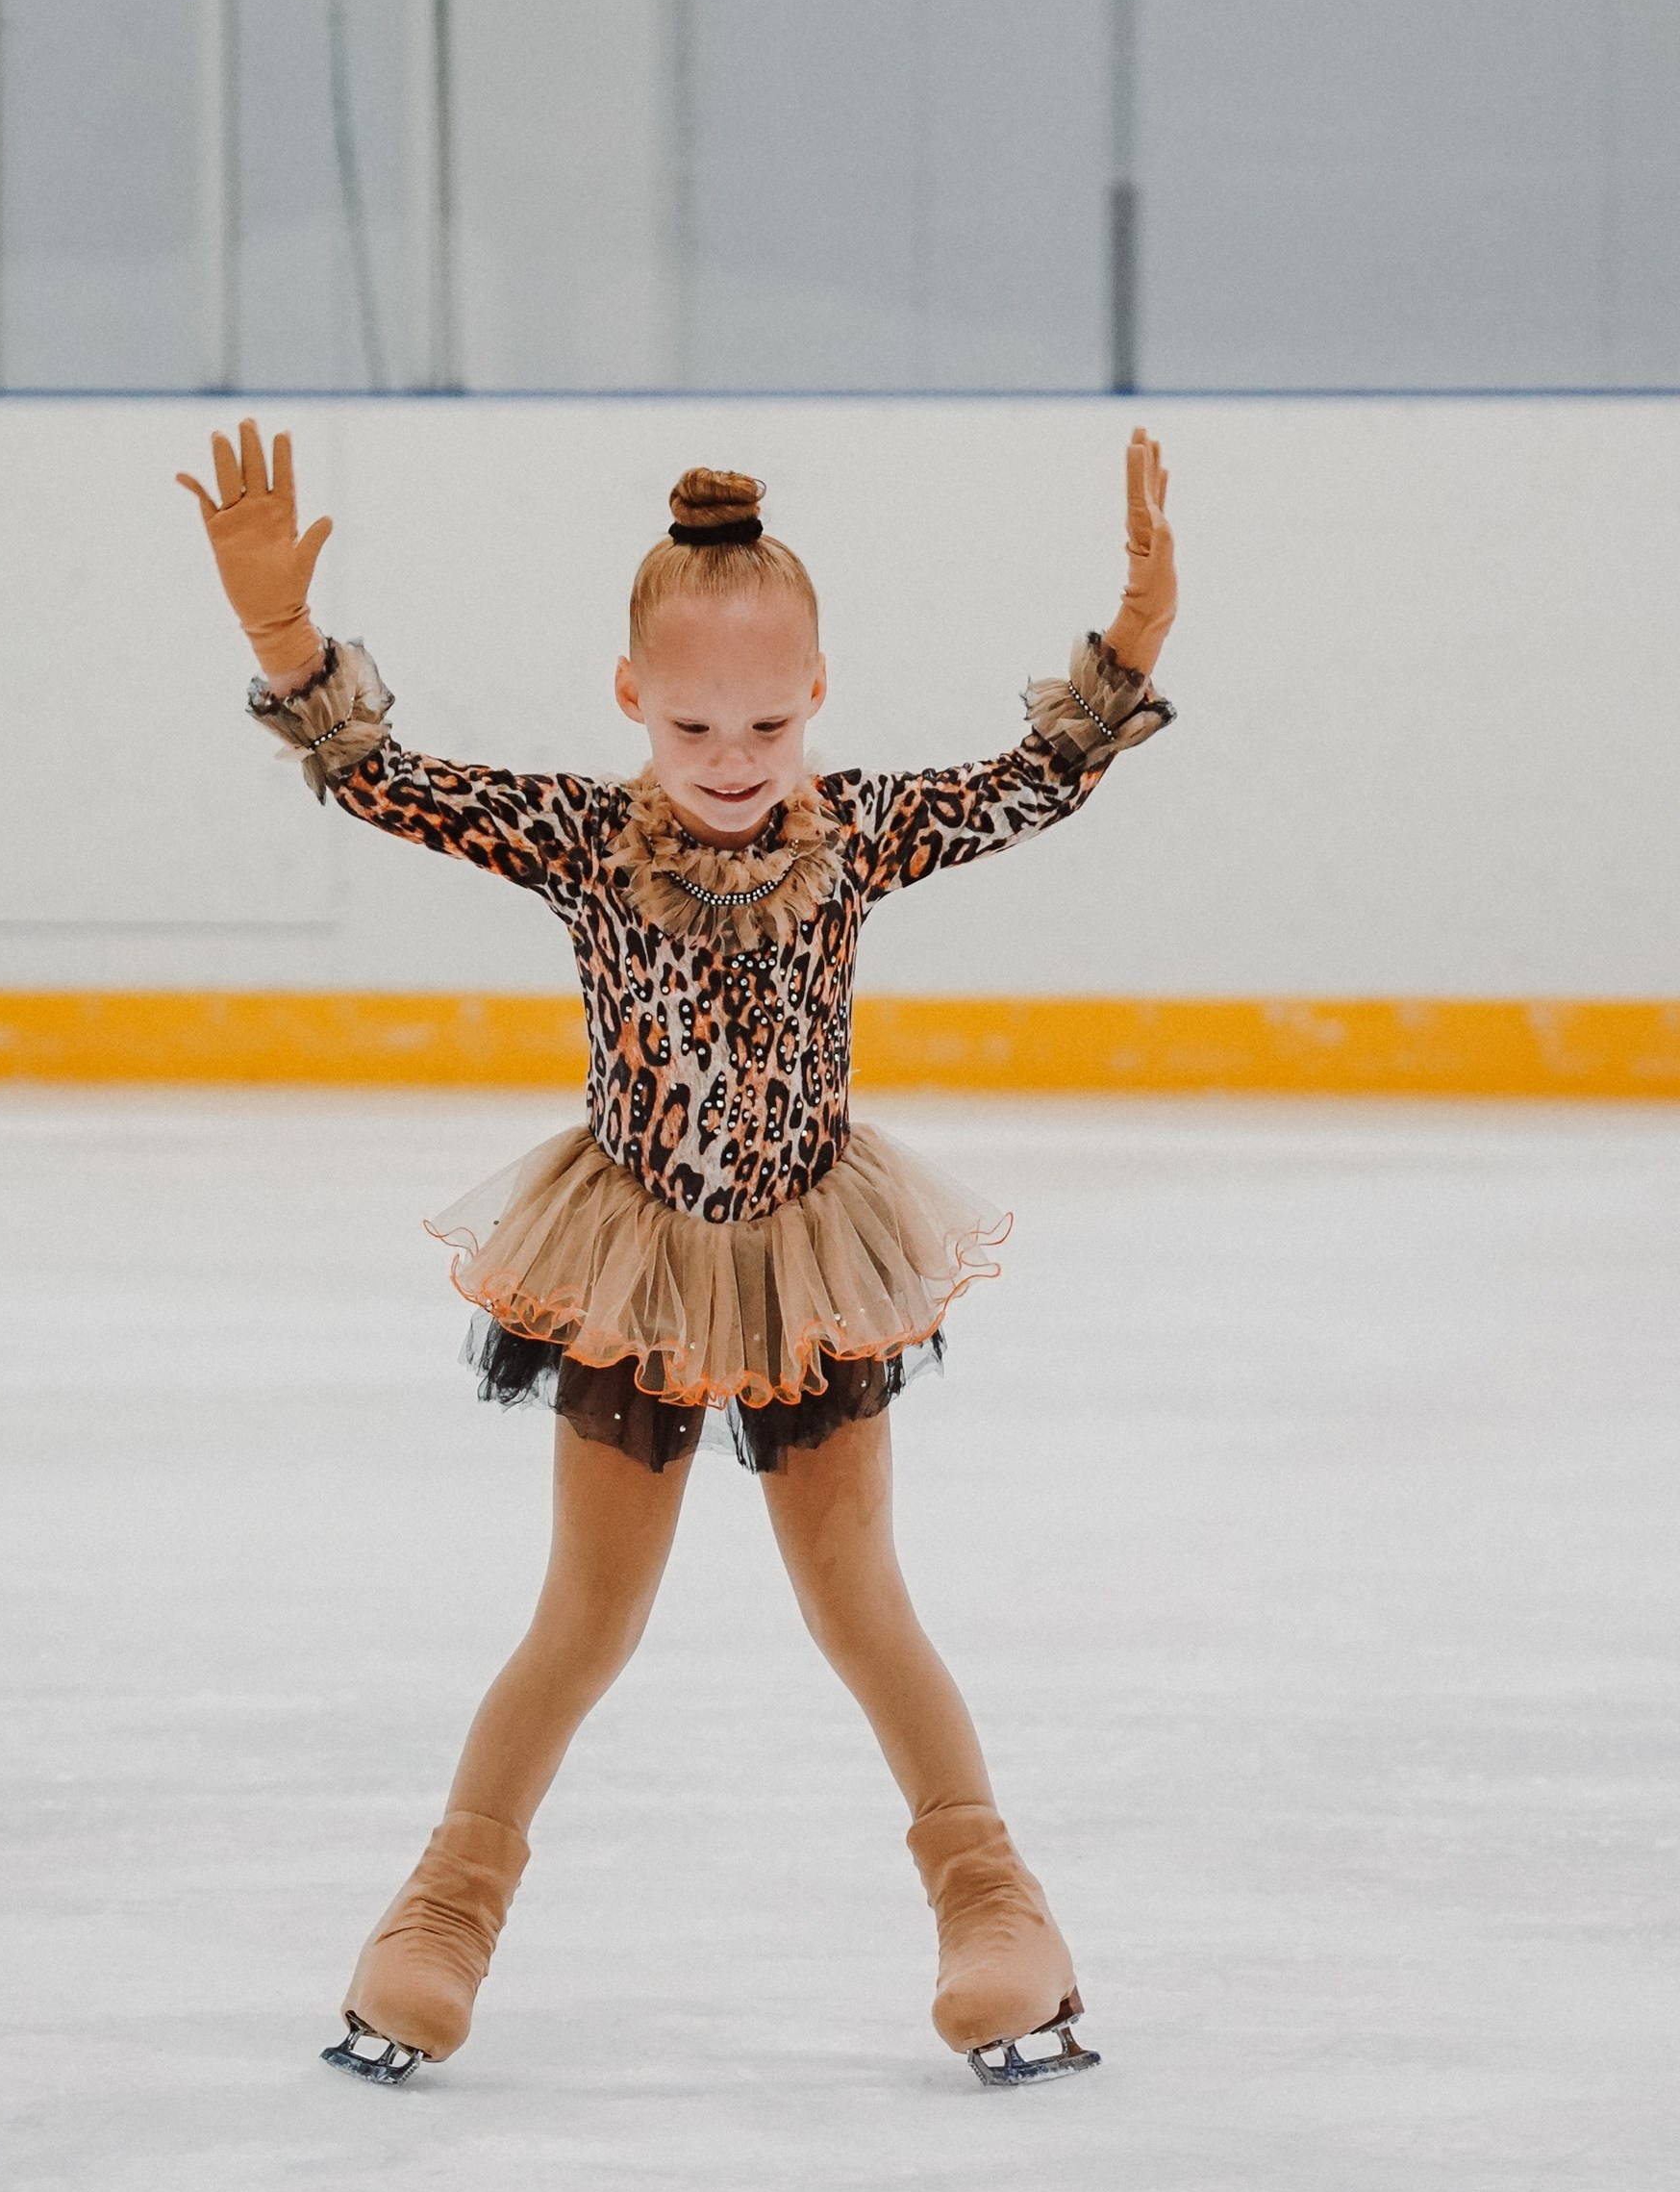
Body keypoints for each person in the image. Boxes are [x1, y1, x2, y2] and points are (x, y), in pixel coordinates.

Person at [179, 421, 1176, 2090]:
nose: (736, 755)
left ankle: (999, 1911)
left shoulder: (852, 837)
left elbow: (1039, 781)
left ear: (821, 695)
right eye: (698, 719)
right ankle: (441, 1913)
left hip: (810, 1263)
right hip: (631, 1263)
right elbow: (383, 781)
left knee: (861, 1602)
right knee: (584, 1616)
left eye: (773, 721)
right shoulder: (584, 841)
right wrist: (285, 639)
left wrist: (1137, 627)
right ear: (630, 695)